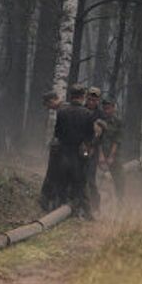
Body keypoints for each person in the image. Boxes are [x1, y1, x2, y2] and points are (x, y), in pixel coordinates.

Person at [55, 84, 95, 219]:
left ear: (70, 96)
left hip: (64, 152)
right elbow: (90, 136)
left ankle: (58, 211)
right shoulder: (88, 114)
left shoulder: (62, 112)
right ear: (83, 96)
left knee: (63, 182)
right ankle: (87, 214)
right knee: (81, 184)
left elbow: (58, 133)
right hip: (80, 154)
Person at [39, 91, 67, 211]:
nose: (48, 108)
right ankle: (49, 201)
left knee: (58, 176)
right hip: (57, 148)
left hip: (64, 149)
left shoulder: (64, 110)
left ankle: (56, 202)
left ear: (52, 101)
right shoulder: (59, 110)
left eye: (47, 104)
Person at [84, 87, 106, 212]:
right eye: (90, 99)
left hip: (94, 149)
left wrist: (99, 152)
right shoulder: (81, 110)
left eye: (94, 99)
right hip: (80, 147)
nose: (92, 102)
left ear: (98, 100)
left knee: (90, 178)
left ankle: (95, 205)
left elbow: (102, 136)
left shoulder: (100, 115)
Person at [99, 96, 125, 201]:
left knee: (120, 178)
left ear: (113, 108)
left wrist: (111, 156)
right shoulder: (99, 121)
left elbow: (117, 140)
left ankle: (120, 200)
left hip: (114, 154)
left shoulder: (118, 122)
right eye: (104, 108)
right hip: (99, 153)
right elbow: (97, 140)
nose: (106, 111)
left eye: (109, 108)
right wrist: (100, 156)